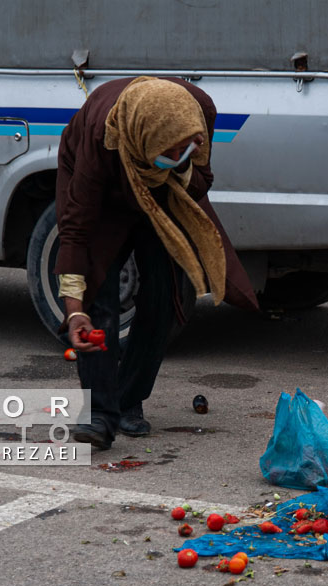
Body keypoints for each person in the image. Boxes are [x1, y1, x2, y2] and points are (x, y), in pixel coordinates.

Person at [55, 76, 257, 449]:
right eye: (173, 149)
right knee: (99, 296)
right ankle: (99, 414)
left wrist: (177, 165)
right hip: (105, 189)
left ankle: (128, 398)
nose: (185, 151)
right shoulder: (101, 137)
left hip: (162, 189)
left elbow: (201, 179)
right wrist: (73, 308)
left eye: (188, 146)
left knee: (165, 294)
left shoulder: (199, 110)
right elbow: (76, 229)